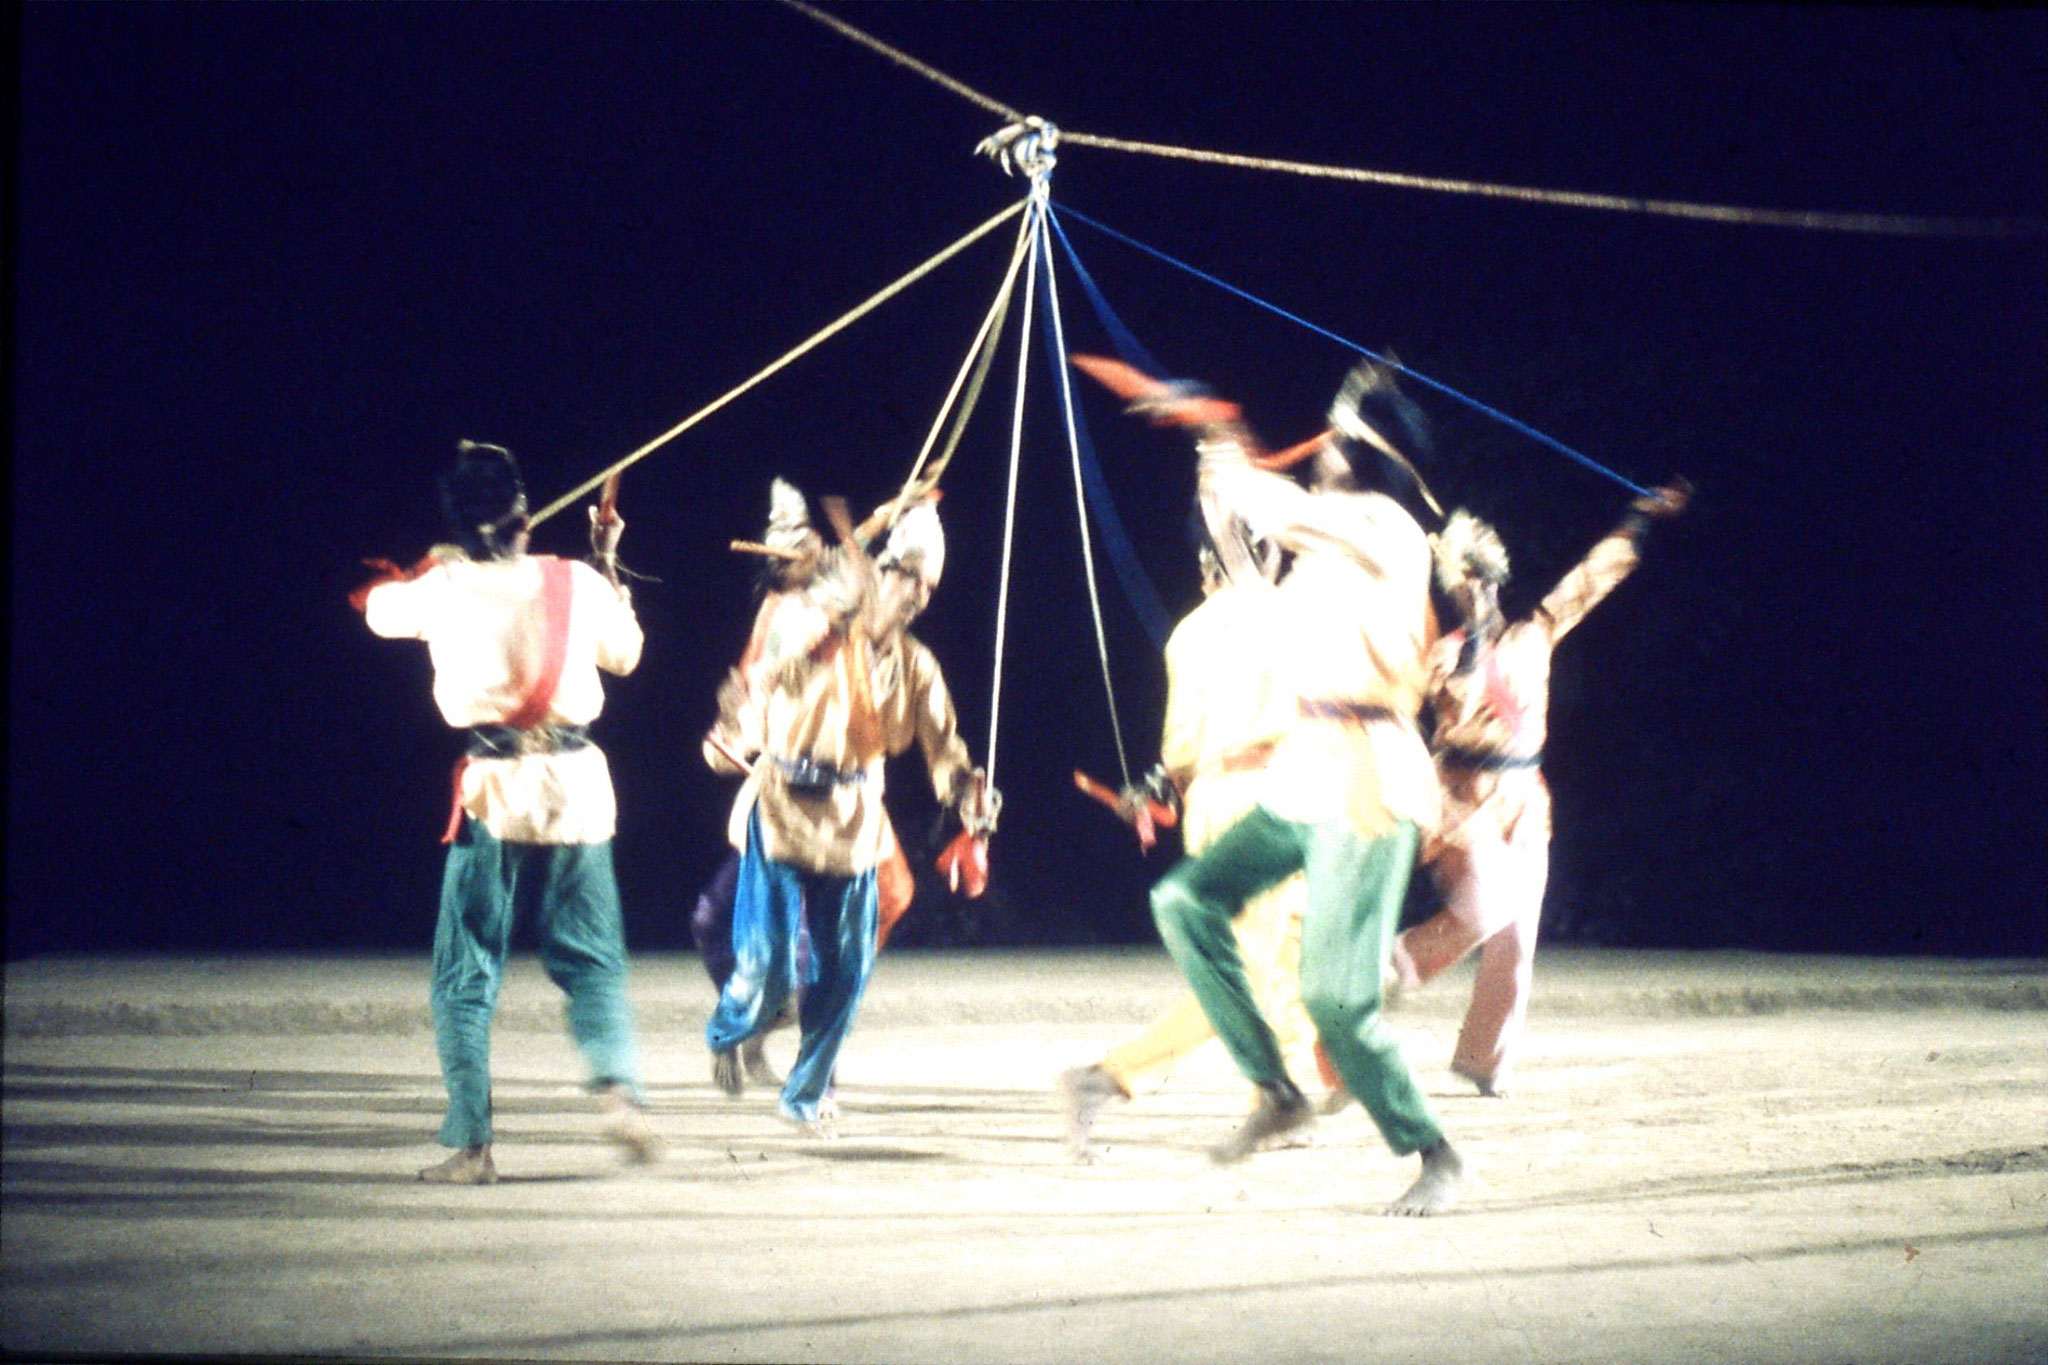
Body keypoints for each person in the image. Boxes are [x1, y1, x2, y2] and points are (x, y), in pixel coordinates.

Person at [1080, 354, 1463, 1216]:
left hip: (1370, 778)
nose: (1323, 446)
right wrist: (1213, 447)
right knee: (1186, 902)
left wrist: (1222, 434)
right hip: (1307, 773)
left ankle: (1435, 1151)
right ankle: (1277, 1090)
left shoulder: (1388, 530)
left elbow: (1270, 505)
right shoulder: (1317, 560)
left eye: (1339, 436)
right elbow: (1243, 526)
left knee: (1334, 997)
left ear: (1368, 459)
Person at [359, 440, 662, 1185]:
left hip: (495, 791)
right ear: (526, 515)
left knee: (464, 975)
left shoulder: (442, 588)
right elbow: (628, 653)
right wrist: (605, 562)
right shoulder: (577, 581)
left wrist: (435, 564)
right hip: (575, 789)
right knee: (593, 964)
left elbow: (376, 612)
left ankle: (473, 1147)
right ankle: (619, 1090)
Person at [701, 494, 995, 1137]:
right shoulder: (812, 628)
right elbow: (754, 699)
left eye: (928, 584)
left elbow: (946, 751)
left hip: (855, 821)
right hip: (783, 808)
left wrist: (967, 795)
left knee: (845, 969)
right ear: (880, 570)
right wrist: (732, 722)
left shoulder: (918, 667)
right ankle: (731, 1027)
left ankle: (805, 1095)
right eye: (907, 574)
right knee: (772, 965)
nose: (916, 592)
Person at [1391, 482, 1691, 1096]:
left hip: (1525, 797)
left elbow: (1589, 579)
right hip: (1461, 797)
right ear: (1457, 588)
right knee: (1485, 905)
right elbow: (1454, 698)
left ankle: (1485, 1061)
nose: (1476, 592)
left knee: (1516, 942)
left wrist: (1637, 520)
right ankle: (1386, 972)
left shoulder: (1535, 634)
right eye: (1465, 584)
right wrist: (1473, 636)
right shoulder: (1446, 655)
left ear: (1495, 580)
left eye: (1483, 582)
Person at [1056, 506, 1329, 1161]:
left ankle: (1278, 1097)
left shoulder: (1185, 635)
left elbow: (1179, 756)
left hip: (1218, 797)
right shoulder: (1278, 616)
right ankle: (1106, 1079)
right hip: (1261, 800)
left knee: (1288, 950)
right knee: (1245, 974)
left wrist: (1156, 793)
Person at [692, 480, 918, 1097]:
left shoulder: (847, 598)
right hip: (788, 794)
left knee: (871, 907)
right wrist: (732, 730)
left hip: (848, 795)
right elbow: (750, 690)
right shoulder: (783, 615)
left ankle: (812, 1042)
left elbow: (864, 585)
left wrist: (879, 522)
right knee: (718, 920)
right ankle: (761, 1022)